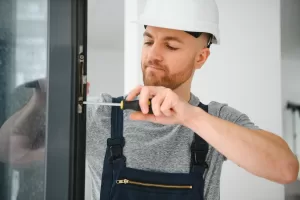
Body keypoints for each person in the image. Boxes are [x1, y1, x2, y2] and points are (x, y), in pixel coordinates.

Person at [85, 0, 299, 200]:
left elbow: (286, 169)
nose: (153, 55)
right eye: (149, 41)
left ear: (201, 58)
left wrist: (190, 116)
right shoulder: (102, 115)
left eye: (171, 46)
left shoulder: (215, 118)